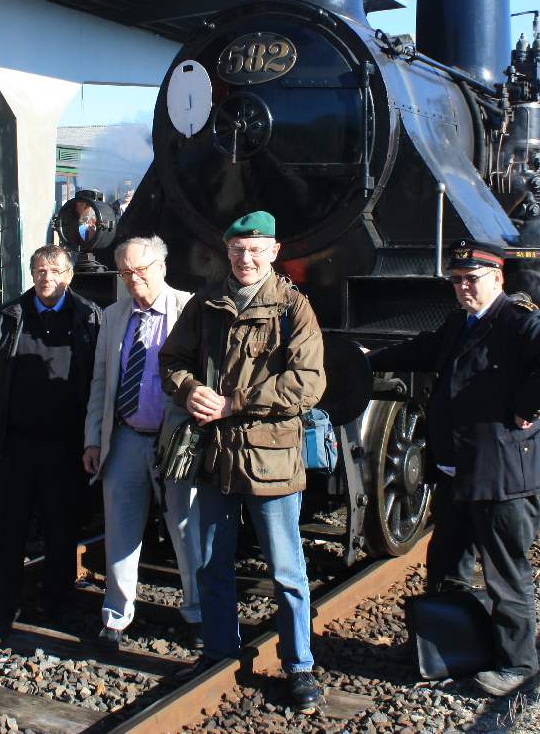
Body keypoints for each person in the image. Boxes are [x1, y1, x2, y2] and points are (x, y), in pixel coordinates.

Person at [368, 240, 540, 697]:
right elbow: (424, 350)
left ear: (498, 279)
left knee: (505, 572)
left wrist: (528, 406)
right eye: (458, 281)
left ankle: (517, 663)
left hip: (502, 475)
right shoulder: (459, 323)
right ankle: (449, 648)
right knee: (446, 566)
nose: (464, 287)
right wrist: (368, 360)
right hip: (456, 472)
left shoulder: (517, 321)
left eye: (473, 280)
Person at [160, 211, 326, 713]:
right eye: (238, 250)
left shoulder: (294, 308)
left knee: (286, 569)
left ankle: (299, 664)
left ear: (274, 252)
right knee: (213, 562)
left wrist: (232, 402)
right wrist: (189, 390)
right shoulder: (206, 304)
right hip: (215, 456)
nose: (246, 258)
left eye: (256, 250)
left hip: (270, 459)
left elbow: (308, 382)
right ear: (226, 253)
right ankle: (218, 649)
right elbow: (172, 360)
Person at [0, 245, 101, 645]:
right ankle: (0, 612)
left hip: (67, 446)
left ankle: (59, 605)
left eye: (55, 269)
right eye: (39, 269)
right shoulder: (7, 318)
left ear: (70, 275)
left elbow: (104, 378)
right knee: (5, 531)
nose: (46, 276)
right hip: (14, 445)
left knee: (61, 529)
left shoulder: (89, 318)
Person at [82, 236, 201, 652]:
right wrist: (93, 438)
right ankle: (116, 616)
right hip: (126, 438)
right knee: (120, 529)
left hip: (176, 442)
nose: (135, 279)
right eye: (126, 272)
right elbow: (101, 382)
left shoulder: (190, 310)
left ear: (162, 267)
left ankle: (197, 612)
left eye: (142, 270)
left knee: (187, 528)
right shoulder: (114, 316)